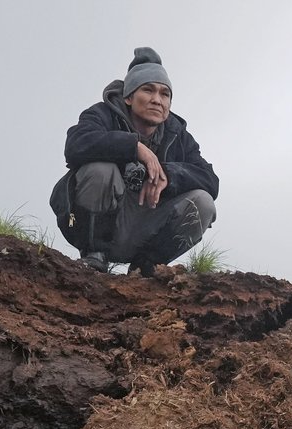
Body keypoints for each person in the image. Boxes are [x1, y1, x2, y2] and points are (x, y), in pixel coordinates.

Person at [50, 47, 219, 274]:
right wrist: (135, 148)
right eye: (148, 90)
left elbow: (210, 179)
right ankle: (94, 255)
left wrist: (168, 175)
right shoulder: (102, 114)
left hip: (146, 224)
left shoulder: (178, 134)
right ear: (129, 97)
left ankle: (145, 267)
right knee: (100, 170)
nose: (156, 100)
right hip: (92, 221)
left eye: (164, 94)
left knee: (204, 203)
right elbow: (75, 145)